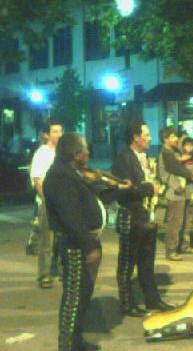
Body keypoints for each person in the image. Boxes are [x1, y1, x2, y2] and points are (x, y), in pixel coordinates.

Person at [43, 132, 132, 351]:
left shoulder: (73, 172)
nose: (88, 153)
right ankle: (68, 345)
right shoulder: (60, 176)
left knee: (82, 294)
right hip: (75, 245)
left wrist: (103, 179)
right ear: (75, 154)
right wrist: (89, 246)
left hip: (82, 243)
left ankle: (75, 340)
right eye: (85, 149)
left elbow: (102, 194)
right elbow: (70, 218)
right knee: (74, 296)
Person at [112, 120, 175, 317]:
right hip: (131, 217)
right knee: (127, 263)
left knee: (147, 262)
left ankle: (152, 299)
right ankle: (127, 303)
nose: (150, 139)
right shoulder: (124, 159)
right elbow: (121, 191)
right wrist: (149, 188)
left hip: (146, 216)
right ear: (135, 138)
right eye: (146, 135)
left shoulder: (145, 157)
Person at [30, 119, 63, 288]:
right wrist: (48, 199)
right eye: (55, 131)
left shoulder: (63, 153)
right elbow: (38, 181)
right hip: (47, 203)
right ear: (46, 135)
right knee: (47, 242)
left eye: (60, 131)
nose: (59, 134)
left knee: (63, 239)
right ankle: (44, 275)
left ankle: (62, 271)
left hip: (63, 203)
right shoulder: (42, 154)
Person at [157, 127, 193, 261]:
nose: (176, 139)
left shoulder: (173, 151)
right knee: (174, 222)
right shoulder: (166, 153)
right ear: (166, 139)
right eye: (173, 136)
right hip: (175, 190)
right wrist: (191, 175)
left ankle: (183, 246)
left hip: (182, 189)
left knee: (185, 220)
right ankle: (171, 251)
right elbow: (176, 168)